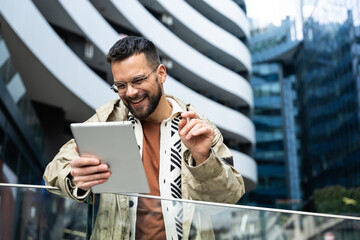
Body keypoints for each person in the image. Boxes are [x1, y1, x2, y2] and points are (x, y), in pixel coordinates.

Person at [43, 36, 245, 239]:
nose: (130, 92)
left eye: (138, 80)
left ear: (161, 74)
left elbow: (228, 199)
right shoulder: (107, 119)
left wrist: (203, 158)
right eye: (121, 85)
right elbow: (53, 172)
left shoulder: (199, 129)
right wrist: (74, 175)